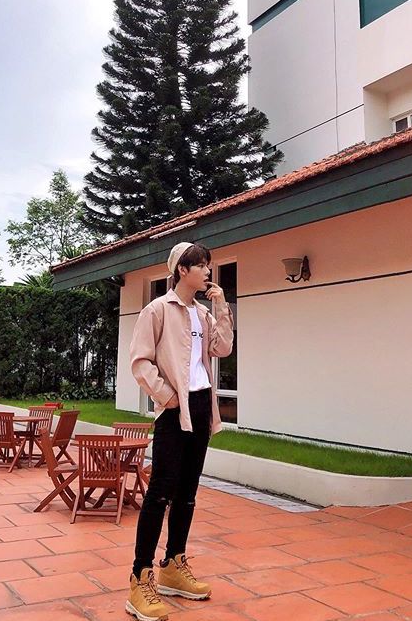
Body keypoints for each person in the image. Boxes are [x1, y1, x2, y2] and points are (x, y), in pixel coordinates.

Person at [126, 241, 234, 621]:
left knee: (187, 494)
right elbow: (140, 361)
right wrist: (166, 396)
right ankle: (140, 578)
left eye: (208, 265)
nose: (207, 271)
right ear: (181, 271)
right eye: (200, 265)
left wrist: (222, 307)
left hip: (202, 406)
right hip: (174, 410)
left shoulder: (203, 313)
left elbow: (223, 349)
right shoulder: (156, 310)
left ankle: (173, 565)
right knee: (160, 493)